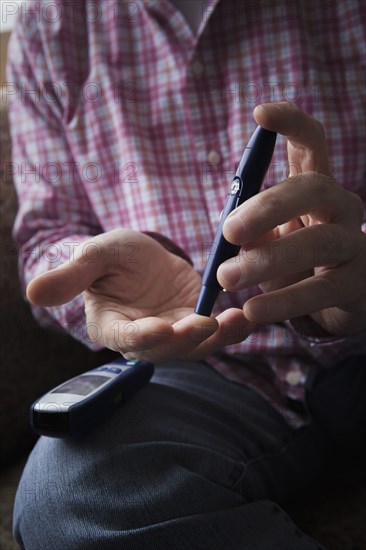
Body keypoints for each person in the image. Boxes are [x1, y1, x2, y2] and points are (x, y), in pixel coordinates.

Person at [7, 0, 366, 548]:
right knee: (73, 497)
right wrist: (96, 267)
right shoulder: (48, 27)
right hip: (209, 372)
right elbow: (45, 237)